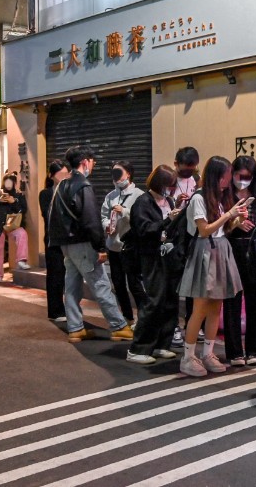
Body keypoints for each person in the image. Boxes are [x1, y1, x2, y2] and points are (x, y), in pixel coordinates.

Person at [48, 145, 133, 344]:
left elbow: (54, 217)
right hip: (83, 243)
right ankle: (119, 326)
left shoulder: (62, 185)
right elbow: (91, 220)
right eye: (92, 162)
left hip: (65, 244)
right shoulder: (83, 186)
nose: (93, 165)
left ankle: (75, 328)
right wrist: (100, 247)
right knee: (100, 283)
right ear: (85, 162)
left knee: (71, 286)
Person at [178, 156, 247, 377]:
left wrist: (236, 220)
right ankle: (188, 357)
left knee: (216, 306)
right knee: (200, 308)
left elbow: (221, 230)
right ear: (217, 176)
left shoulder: (218, 197)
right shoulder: (199, 198)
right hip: (204, 252)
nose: (230, 179)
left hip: (220, 250)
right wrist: (229, 214)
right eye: (227, 174)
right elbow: (204, 230)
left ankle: (208, 353)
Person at [126, 165, 182, 365]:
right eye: (170, 185)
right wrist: (168, 219)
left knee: (170, 301)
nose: (172, 189)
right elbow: (144, 230)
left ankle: (161, 344)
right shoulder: (142, 203)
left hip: (169, 256)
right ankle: (138, 348)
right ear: (161, 184)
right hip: (151, 257)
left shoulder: (168, 200)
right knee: (154, 300)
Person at [223, 156, 256, 367]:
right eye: (239, 176)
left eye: (247, 177)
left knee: (255, 301)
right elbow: (217, 225)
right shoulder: (225, 195)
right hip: (231, 247)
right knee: (232, 300)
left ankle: (254, 350)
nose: (243, 181)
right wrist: (235, 223)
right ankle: (234, 352)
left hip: (254, 249)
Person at [101, 161, 147, 326]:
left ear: (128, 174)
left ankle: (144, 317)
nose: (115, 178)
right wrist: (108, 225)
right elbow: (104, 216)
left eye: (118, 173)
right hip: (114, 246)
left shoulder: (139, 195)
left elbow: (142, 219)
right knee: (118, 283)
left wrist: (125, 212)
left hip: (131, 247)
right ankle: (127, 317)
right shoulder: (110, 196)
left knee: (135, 284)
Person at [172, 146, 201, 347]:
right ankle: (174, 326)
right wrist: (175, 202)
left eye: (192, 168)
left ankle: (193, 323)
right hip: (176, 235)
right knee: (174, 283)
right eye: (185, 169)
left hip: (194, 235)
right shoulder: (169, 181)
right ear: (176, 165)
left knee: (193, 283)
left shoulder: (197, 181)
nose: (189, 172)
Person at [0, 173, 31, 285]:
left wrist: (14, 201)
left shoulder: (19, 195)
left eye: (11, 182)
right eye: (7, 182)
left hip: (12, 223)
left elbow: (22, 209)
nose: (8, 184)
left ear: (15, 183)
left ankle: (21, 260)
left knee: (22, 234)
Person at [39, 160, 69, 321]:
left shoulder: (69, 191)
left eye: (66, 173)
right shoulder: (46, 193)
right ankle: (55, 311)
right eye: (61, 174)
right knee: (55, 275)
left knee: (68, 276)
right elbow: (48, 215)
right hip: (53, 241)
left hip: (68, 241)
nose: (64, 177)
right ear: (52, 176)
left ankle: (67, 309)